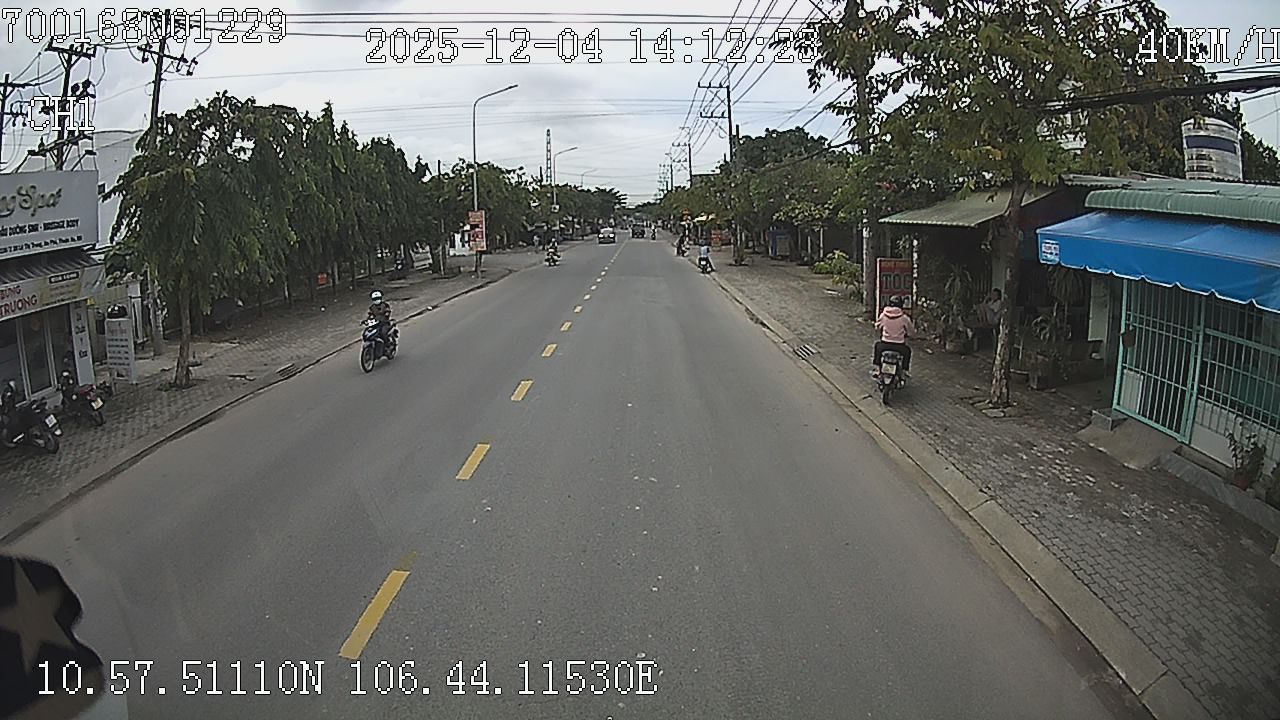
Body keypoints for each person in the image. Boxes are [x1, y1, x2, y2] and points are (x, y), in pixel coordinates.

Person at [873, 296, 914, 374]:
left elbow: (877, 327)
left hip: (884, 344)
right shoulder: (904, 318)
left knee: (877, 347)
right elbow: (911, 331)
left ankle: (877, 368)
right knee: (907, 351)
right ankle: (905, 371)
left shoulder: (883, 315)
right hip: (899, 345)